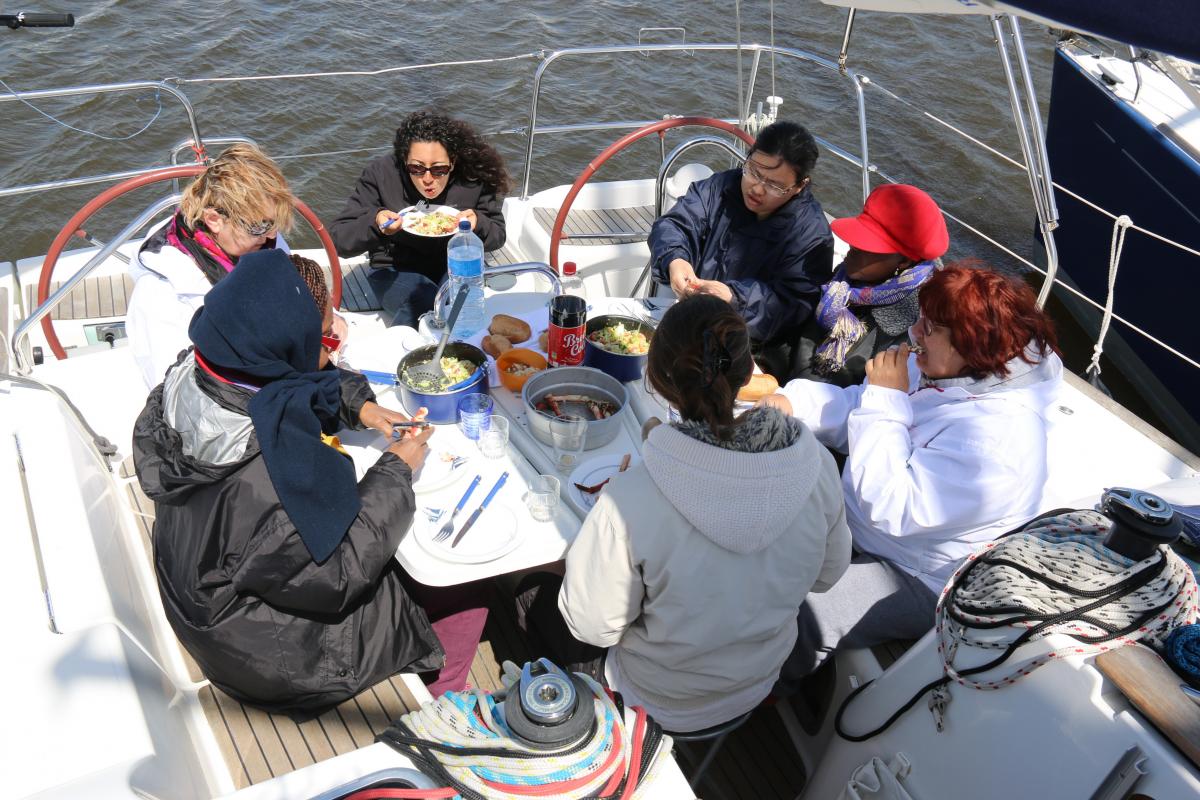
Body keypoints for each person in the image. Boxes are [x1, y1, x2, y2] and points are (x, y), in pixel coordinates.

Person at [132, 249, 485, 713]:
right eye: (326, 337)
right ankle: (448, 703)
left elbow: (292, 385)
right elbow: (337, 573)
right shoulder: (262, 476)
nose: (333, 346)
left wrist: (360, 406)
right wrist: (395, 470)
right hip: (266, 651)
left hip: (206, 591)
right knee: (462, 585)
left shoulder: (204, 367)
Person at [526, 295, 851, 733]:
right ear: (746, 373)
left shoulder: (631, 499)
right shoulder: (815, 463)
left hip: (653, 699)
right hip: (756, 684)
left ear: (656, 379)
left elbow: (591, 627)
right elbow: (828, 575)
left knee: (531, 594)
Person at [761, 264, 1063, 684]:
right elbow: (859, 407)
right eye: (921, 319)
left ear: (971, 345)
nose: (913, 332)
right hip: (865, 526)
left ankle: (749, 692)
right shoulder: (949, 367)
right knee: (755, 543)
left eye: (930, 328)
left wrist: (886, 398)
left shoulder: (999, 442)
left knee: (800, 615)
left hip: (919, 571)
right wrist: (792, 403)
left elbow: (892, 507)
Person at [648, 121, 834, 380]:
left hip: (755, 350)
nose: (757, 188)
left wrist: (734, 299)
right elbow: (674, 224)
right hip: (695, 321)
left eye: (774, 185)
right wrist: (675, 259)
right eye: (754, 172)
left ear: (800, 186)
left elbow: (795, 303)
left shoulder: (811, 234)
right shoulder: (720, 188)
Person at [127, 143, 295, 389]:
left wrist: (330, 321)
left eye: (274, 224)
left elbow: (296, 292)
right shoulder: (159, 295)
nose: (271, 236)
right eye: (260, 227)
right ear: (214, 220)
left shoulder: (261, 239)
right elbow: (177, 390)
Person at [329, 111, 508, 328]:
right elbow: (339, 241)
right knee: (423, 300)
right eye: (417, 168)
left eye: (439, 169)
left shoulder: (473, 176)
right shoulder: (381, 174)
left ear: (453, 162)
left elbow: (498, 235)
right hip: (394, 268)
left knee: (459, 304)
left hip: (454, 263)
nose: (427, 179)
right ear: (404, 160)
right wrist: (377, 225)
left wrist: (478, 223)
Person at [792, 183, 949, 386]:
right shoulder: (849, 276)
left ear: (904, 261)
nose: (852, 247)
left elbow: (841, 383)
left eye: (868, 245)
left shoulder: (903, 326)